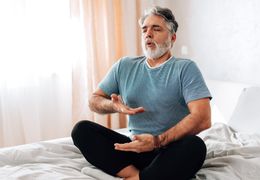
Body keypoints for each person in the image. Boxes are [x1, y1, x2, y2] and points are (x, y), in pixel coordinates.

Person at [71, 6, 212, 180]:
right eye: (144, 29)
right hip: (134, 147)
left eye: (156, 28)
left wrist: (156, 141)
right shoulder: (125, 66)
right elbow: (94, 100)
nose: (148, 34)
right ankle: (134, 175)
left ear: (172, 37)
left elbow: (203, 118)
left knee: (195, 146)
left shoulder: (185, 68)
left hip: (168, 150)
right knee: (82, 130)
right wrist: (113, 105)